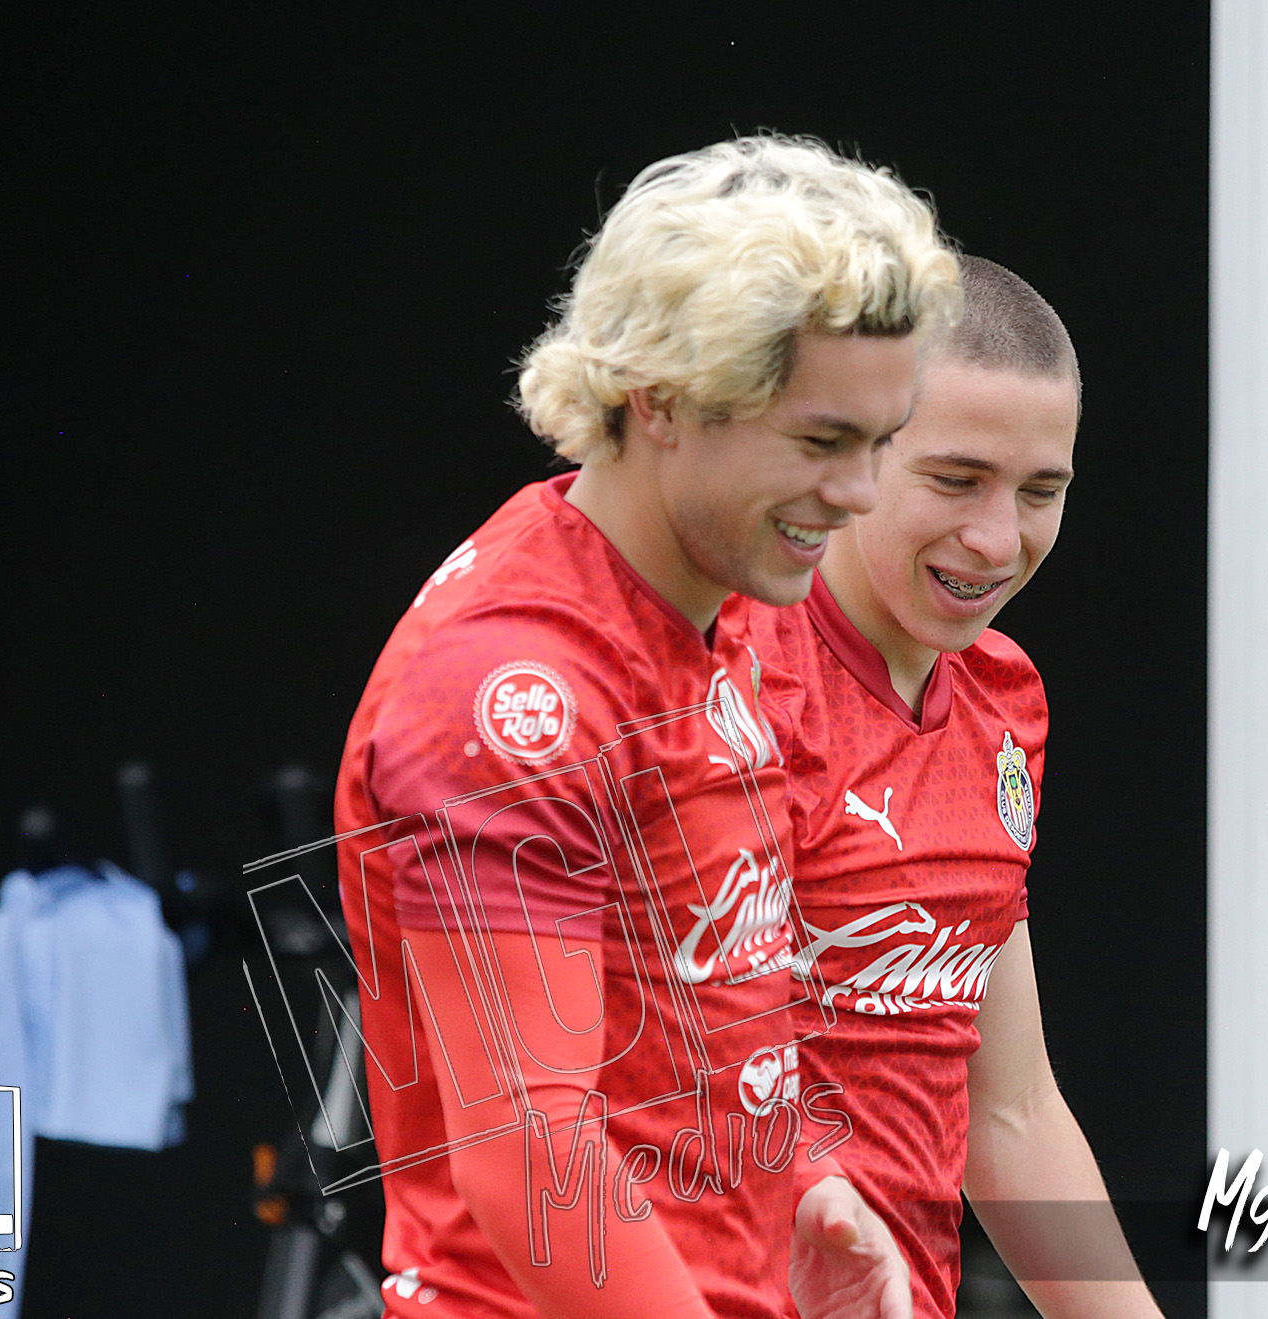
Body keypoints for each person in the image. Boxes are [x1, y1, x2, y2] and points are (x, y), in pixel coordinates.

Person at [333, 135, 962, 1319]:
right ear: (661, 399)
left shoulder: (729, 607)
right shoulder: (511, 689)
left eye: (882, 441)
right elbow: (531, 1159)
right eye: (822, 441)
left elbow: (687, 1005)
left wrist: (807, 1182)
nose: (862, 494)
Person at [739, 256, 1163, 1318]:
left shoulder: (1003, 699)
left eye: (1041, 491)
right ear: (853, 452)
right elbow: (625, 1090)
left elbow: (1010, 1112)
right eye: (957, 478)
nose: (999, 538)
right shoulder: (730, 679)